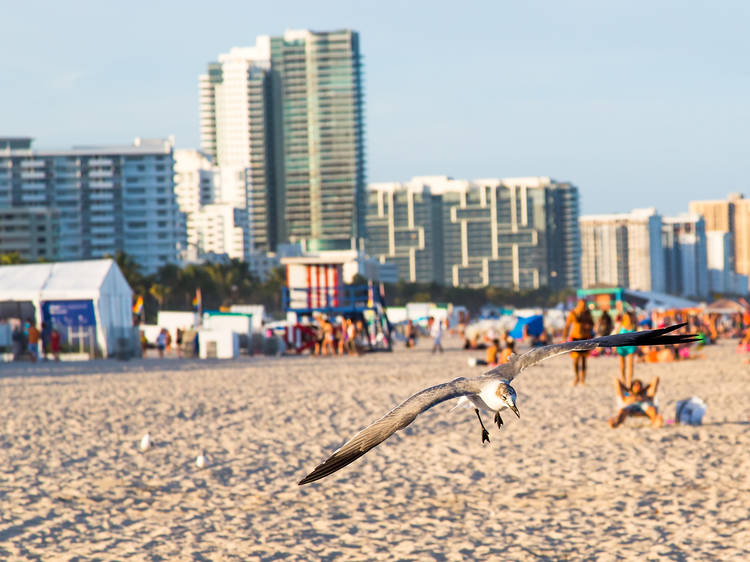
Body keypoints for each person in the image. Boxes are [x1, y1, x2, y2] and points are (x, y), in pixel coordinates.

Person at [564, 299, 594, 386]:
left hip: (585, 337)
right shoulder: (573, 313)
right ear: (578, 304)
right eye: (582, 305)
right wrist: (564, 337)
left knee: (584, 360)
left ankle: (583, 379)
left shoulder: (587, 313)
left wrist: (589, 326)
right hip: (575, 337)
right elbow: (567, 326)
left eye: (585, 305)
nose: (583, 307)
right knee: (576, 359)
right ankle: (577, 377)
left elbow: (592, 323)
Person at [615, 312, 637, 388]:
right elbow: (616, 335)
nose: (628, 319)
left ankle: (629, 382)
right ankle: (623, 381)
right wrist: (614, 346)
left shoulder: (634, 325)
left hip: (630, 346)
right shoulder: (621, 325)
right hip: (621, 346)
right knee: (622, 365)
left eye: (628, 317)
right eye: (626, 317)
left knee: (630, 365)